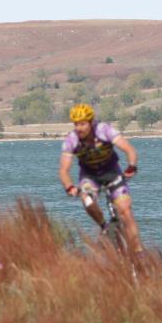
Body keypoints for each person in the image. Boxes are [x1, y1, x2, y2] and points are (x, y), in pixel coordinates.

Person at [58, 103, 142, 253]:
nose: (79, 128)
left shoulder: (104, 130)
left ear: (90, 123)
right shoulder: (72, 140)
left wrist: (131, 166)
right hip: (90, 177)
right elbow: (64, 170)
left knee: (126, 211)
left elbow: (129, 149)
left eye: (82, 124)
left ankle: (138, 251)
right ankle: (104, 226)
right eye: (76, 124)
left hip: (112, 173)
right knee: (88, 200)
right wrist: (69, 186)